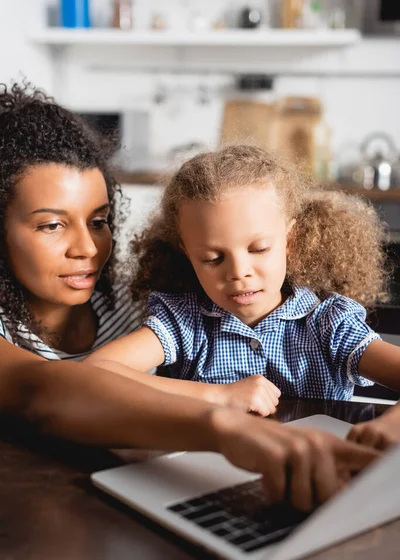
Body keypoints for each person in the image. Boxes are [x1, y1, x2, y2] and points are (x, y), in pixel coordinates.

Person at [0, 84, 383, 513]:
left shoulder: (129, 301)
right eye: (51, 225)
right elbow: (49, 390)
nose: (88, 249)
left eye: (99, 221)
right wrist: (219, 411)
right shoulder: (170, 317)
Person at [85, 144, 400, 421]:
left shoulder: (330, 324)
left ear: (289, 240)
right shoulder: (183, 321)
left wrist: (387, 429)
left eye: (259, 249)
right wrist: (216, 396)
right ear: (187, 253)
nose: (238, 272)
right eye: (212, 258)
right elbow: (96, 373)